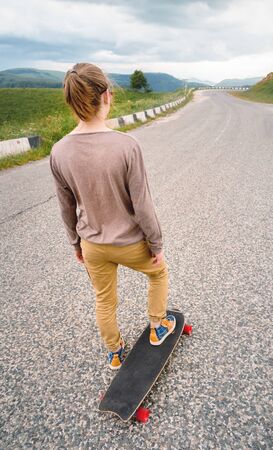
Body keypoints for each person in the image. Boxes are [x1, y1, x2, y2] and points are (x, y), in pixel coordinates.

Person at [49, 62, 176, 370]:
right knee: (158, 273)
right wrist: (156, 245)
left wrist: (76, 245)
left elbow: (66, 208)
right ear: (107, 96)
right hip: (130, 243)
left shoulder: (59, 151)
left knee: (104, 300)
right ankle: (158, 326)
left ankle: (115, 352)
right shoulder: (127, 145)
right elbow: (142, 204)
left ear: (71, 102)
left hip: (93, 245)